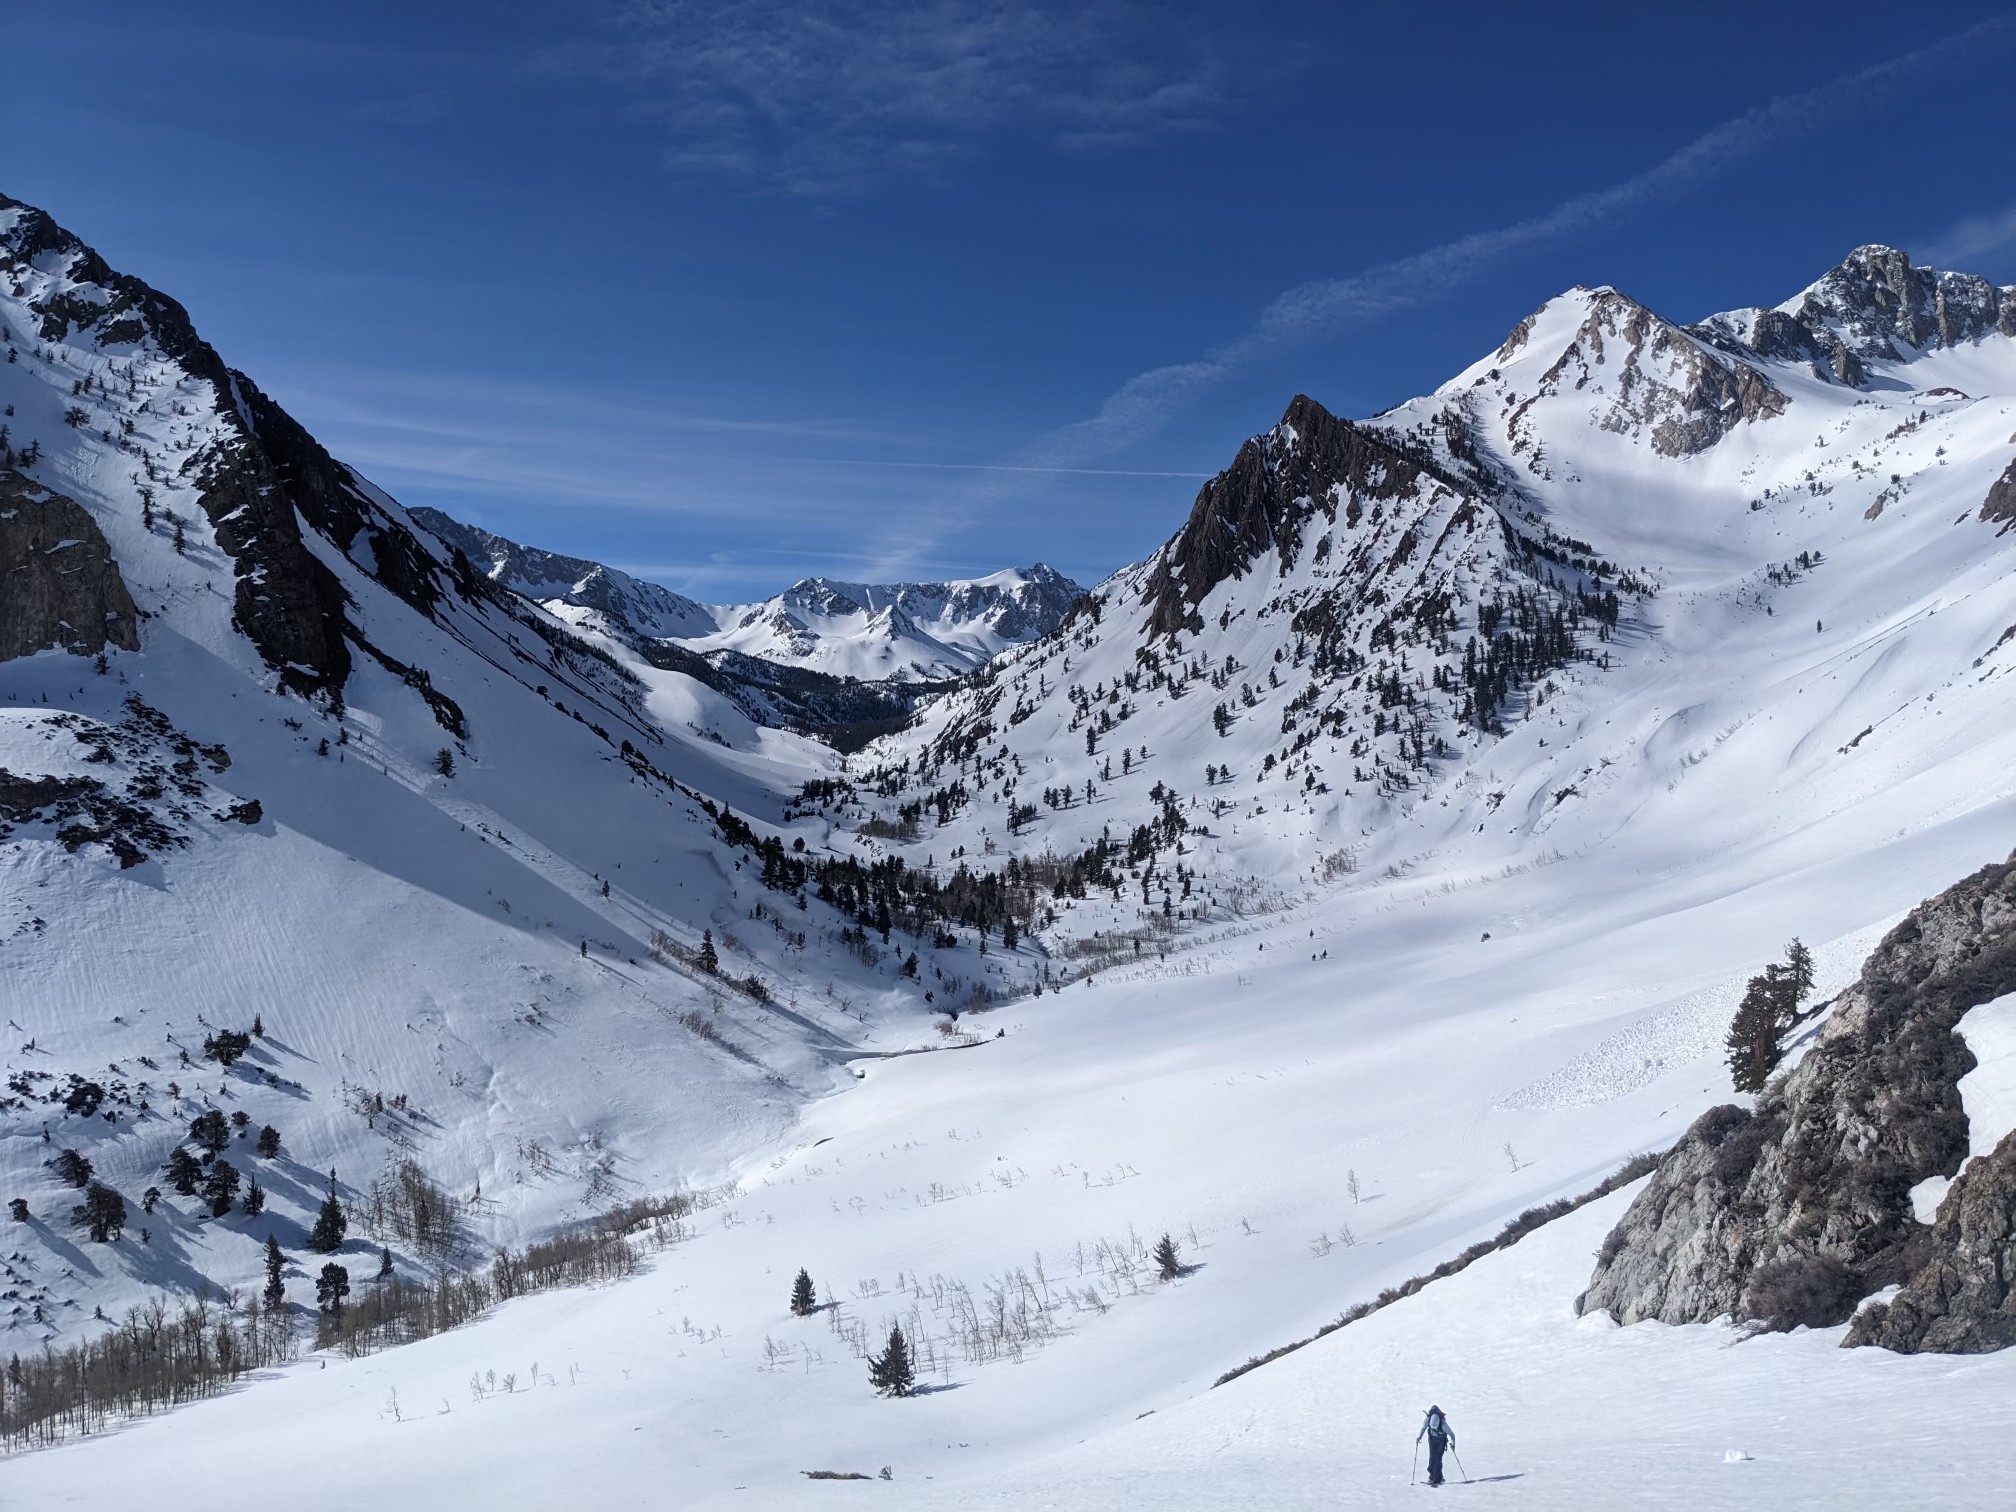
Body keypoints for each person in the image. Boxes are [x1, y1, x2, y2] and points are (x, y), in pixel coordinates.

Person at [1417, 1404, 1455, 1486]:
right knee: (1432, 1458)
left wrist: (1453, 1444)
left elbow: (1452, 1435)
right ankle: (1432, 1476)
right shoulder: (1428, 1420)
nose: (1434, 1428)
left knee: (1437, 1459)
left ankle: (1437, 1479)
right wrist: (1419, 1437)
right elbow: (1423, 1428)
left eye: (1435, 1427)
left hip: (1441, 1441)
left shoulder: (1443, 1424)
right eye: (1432, 1427)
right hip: (1432, 1440)